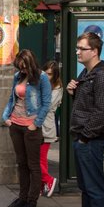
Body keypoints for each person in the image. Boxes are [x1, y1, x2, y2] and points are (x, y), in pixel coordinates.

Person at [65, 32, 104, 207]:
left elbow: (103, 110)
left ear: (94, 51)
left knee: (94, 186)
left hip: (91, 140)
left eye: (81, 48)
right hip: (82, 137)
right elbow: (88, 105)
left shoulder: (103, 75)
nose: (77, 51)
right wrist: (72, 93)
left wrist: (86, 136)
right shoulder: (88, 73)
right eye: (77, 48)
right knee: (85, 186)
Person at [2, 50, 52, 207]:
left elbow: (46, 103)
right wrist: (6, 117)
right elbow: (12, 98)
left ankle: (32, 200)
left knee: (33, 165)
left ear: (30, 64)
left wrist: (35, 124)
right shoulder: (17, 76)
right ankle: (22, 197)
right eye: (20, 67)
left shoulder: (42, 77)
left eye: (24, 67)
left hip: (30, 127)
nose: (21, 70)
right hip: (15, 124)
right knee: (21, 163)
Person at [40, 61, 63, 197]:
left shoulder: (57, 88)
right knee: (40, 159)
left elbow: (46, 105)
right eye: (45, 73)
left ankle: (48, 180)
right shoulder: (41, 85)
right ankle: (44, 184)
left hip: (46, 127)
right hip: (38, 126)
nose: (47, 76)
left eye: (50, 74)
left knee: (39, 159)